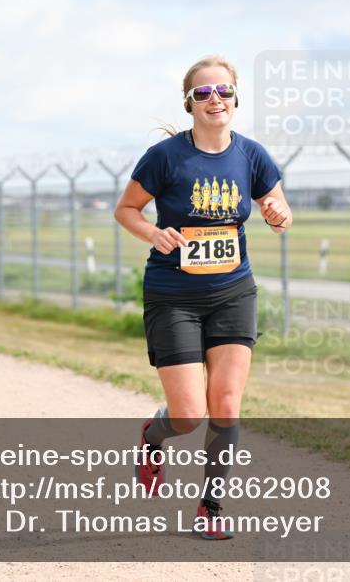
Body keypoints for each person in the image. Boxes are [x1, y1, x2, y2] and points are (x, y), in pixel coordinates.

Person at [114, 55, 292, 540]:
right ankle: (154, 437)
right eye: (204, 93)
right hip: (173, 295)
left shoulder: (252, 155)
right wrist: (153, 233)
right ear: (189, 102)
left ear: (236, 98)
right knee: (190, 414)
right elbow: (126, 209)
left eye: (224, 91)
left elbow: (280, 209)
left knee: (227, 406)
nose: (215, 99)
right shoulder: (166, 156)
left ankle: (210, 508)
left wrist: (277, 214)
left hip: (233, 290)